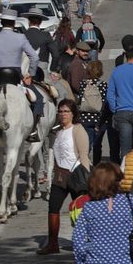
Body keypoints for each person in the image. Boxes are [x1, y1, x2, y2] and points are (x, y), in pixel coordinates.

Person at [41, 98, 91, 254]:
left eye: (66, 111)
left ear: (73, 113)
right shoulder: (58, 131)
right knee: (53, 208)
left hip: (76, 174)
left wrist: (86, 177)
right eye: (61, 111)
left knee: (80, 211)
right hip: (60, 176)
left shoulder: (78, 130)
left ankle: (84, 244)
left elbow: (84, 155)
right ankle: (53, 244)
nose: (63, 114)